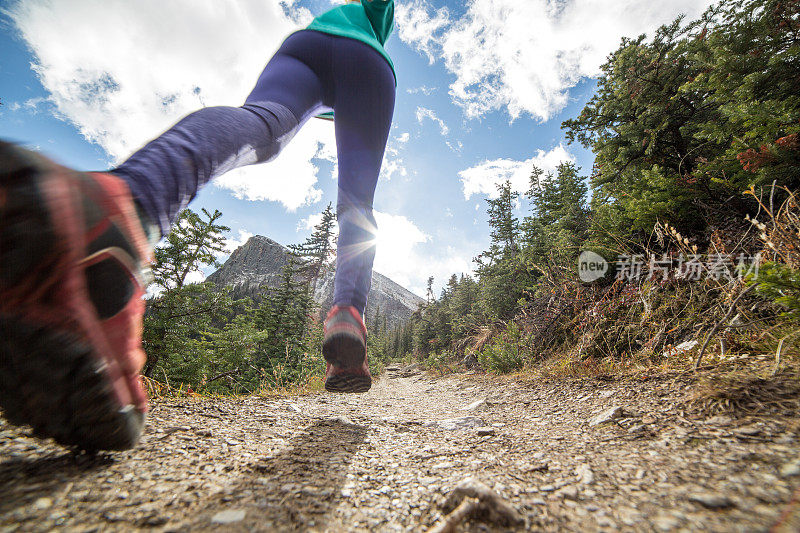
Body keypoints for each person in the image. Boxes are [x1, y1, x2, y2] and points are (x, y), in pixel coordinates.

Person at [0, 0, 396, 451]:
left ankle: (128, 203)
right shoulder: (371, 18)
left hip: (302, 47)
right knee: (356, 204)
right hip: (368, 60)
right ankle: (347, 311)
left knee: (262, 123)